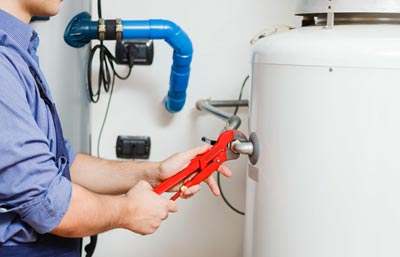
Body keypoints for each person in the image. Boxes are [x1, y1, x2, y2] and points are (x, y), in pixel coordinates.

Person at [0, 1, 232, 256]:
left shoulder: (18, 50)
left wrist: (155, 173)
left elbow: (66, 167)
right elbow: (49, 205)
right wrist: (128, 210)